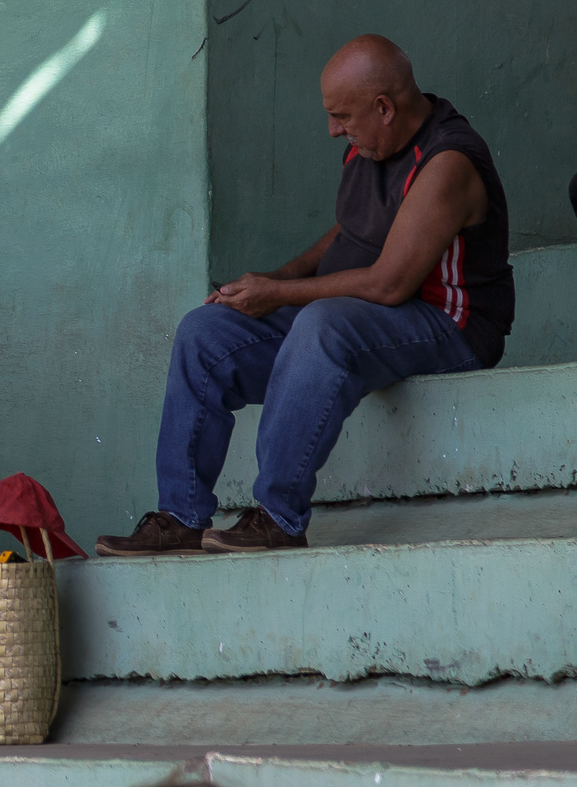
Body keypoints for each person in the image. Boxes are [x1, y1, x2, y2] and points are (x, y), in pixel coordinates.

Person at [97, 34, 514, 556]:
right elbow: (348, 234)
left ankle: (277, 517)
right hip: (366, 319)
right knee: (205, 333)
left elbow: (389, 283)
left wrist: (279, 293)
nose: (333, 129)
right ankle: (179, 516)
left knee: (323, 323)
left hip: (449, 326)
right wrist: (269, 282)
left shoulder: (448, 161)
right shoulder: (370, 145)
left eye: (343, 116)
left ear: (384, 108)